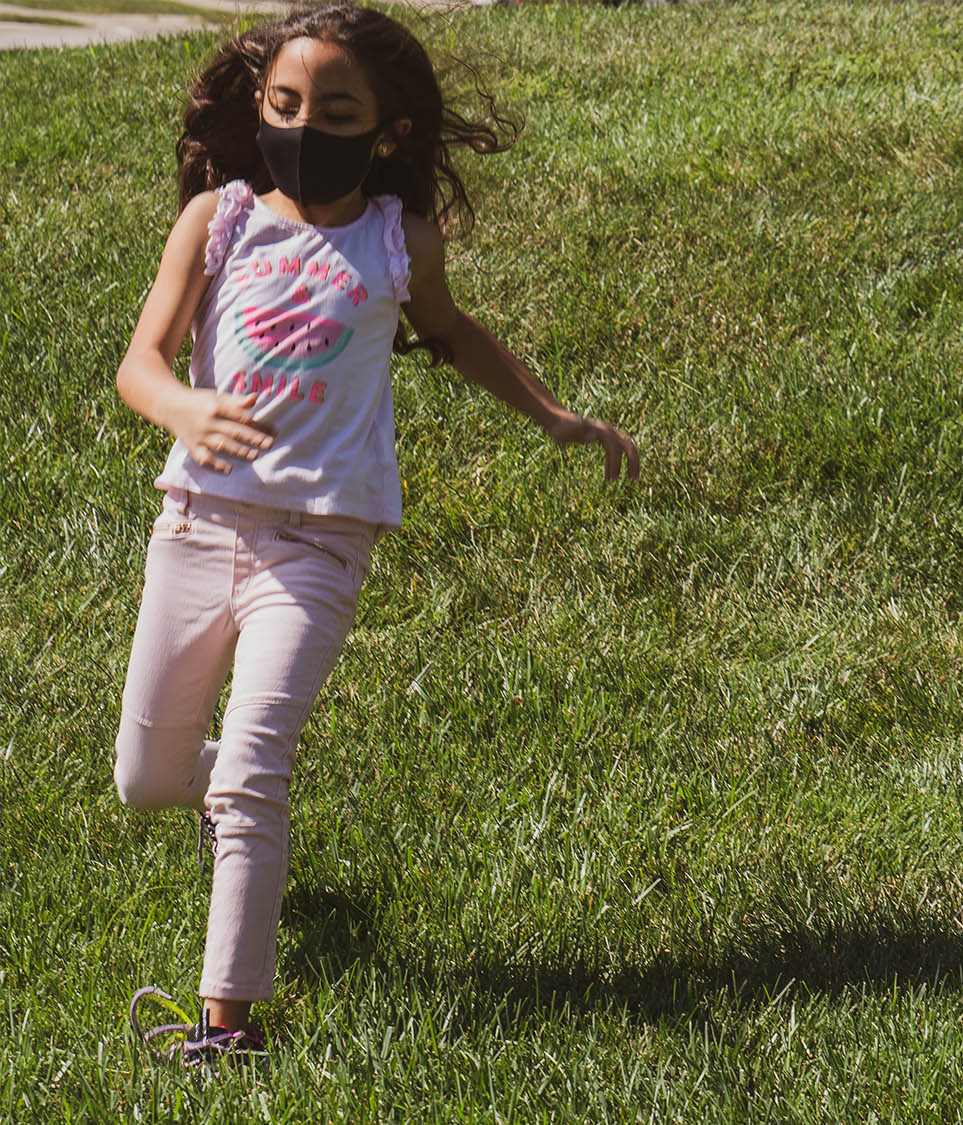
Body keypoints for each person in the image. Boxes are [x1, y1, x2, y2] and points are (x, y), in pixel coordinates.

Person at [114, 3, 638, 1064]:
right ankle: (216, 804)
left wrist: (552, 415)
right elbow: (141, 363)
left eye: (336, 108)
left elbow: (451, 335)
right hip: (197, 525)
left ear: (388, 130)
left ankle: (227, 1025)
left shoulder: (400, 242)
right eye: (287, 103)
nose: (306, 125)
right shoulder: (216, 222)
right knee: (147, 780)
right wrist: (185, 409)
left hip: (318, 546)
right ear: (260, 106)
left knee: (258, 763)